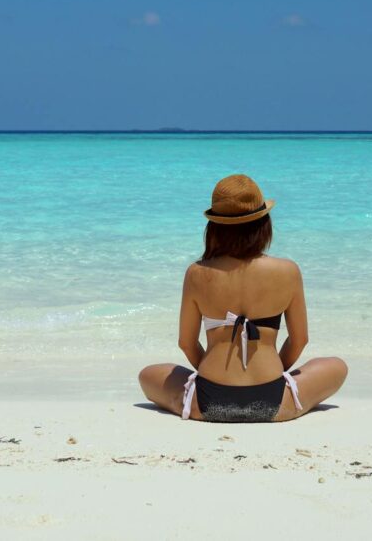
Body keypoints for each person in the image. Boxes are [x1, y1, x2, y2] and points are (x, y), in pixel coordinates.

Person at [138, 174, 348, 421]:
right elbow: (299, 340)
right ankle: (282, 398)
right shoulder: (287, 270)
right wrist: (272, 372)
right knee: (336, 366)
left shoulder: (198, 273)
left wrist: (217, 375)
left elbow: (186, 343)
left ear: (214, 228)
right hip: (273, 399)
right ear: (263, 224)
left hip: (208, 400)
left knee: (147, 375)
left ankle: (202, 399)